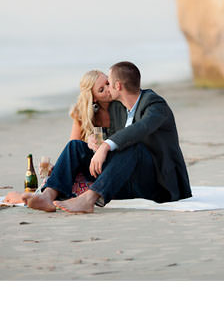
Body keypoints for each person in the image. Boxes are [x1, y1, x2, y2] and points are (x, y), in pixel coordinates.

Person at [27, 61, 192, 214]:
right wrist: (94, 143)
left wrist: (106, 145)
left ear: (118, 86)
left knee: (135, 147)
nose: (107, 89)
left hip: (158, 185)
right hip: (124, 180)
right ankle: (48, 195)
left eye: (109, 83)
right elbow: (116, 137)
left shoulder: (155, 105)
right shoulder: (120, 109)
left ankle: (88, 199)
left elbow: (140, 129)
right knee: (76, 146)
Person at [4, 69, 111, 205]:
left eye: (108, 83)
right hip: (93, 166)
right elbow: (74, 147)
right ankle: (45, 196)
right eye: (102, 89)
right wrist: (89, 141)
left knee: (59, 181)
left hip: (114, 163)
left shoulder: (121, 105)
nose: (109, 89)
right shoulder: (82, 113)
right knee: (72, 150)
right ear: (94, 97)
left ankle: (42, 195)